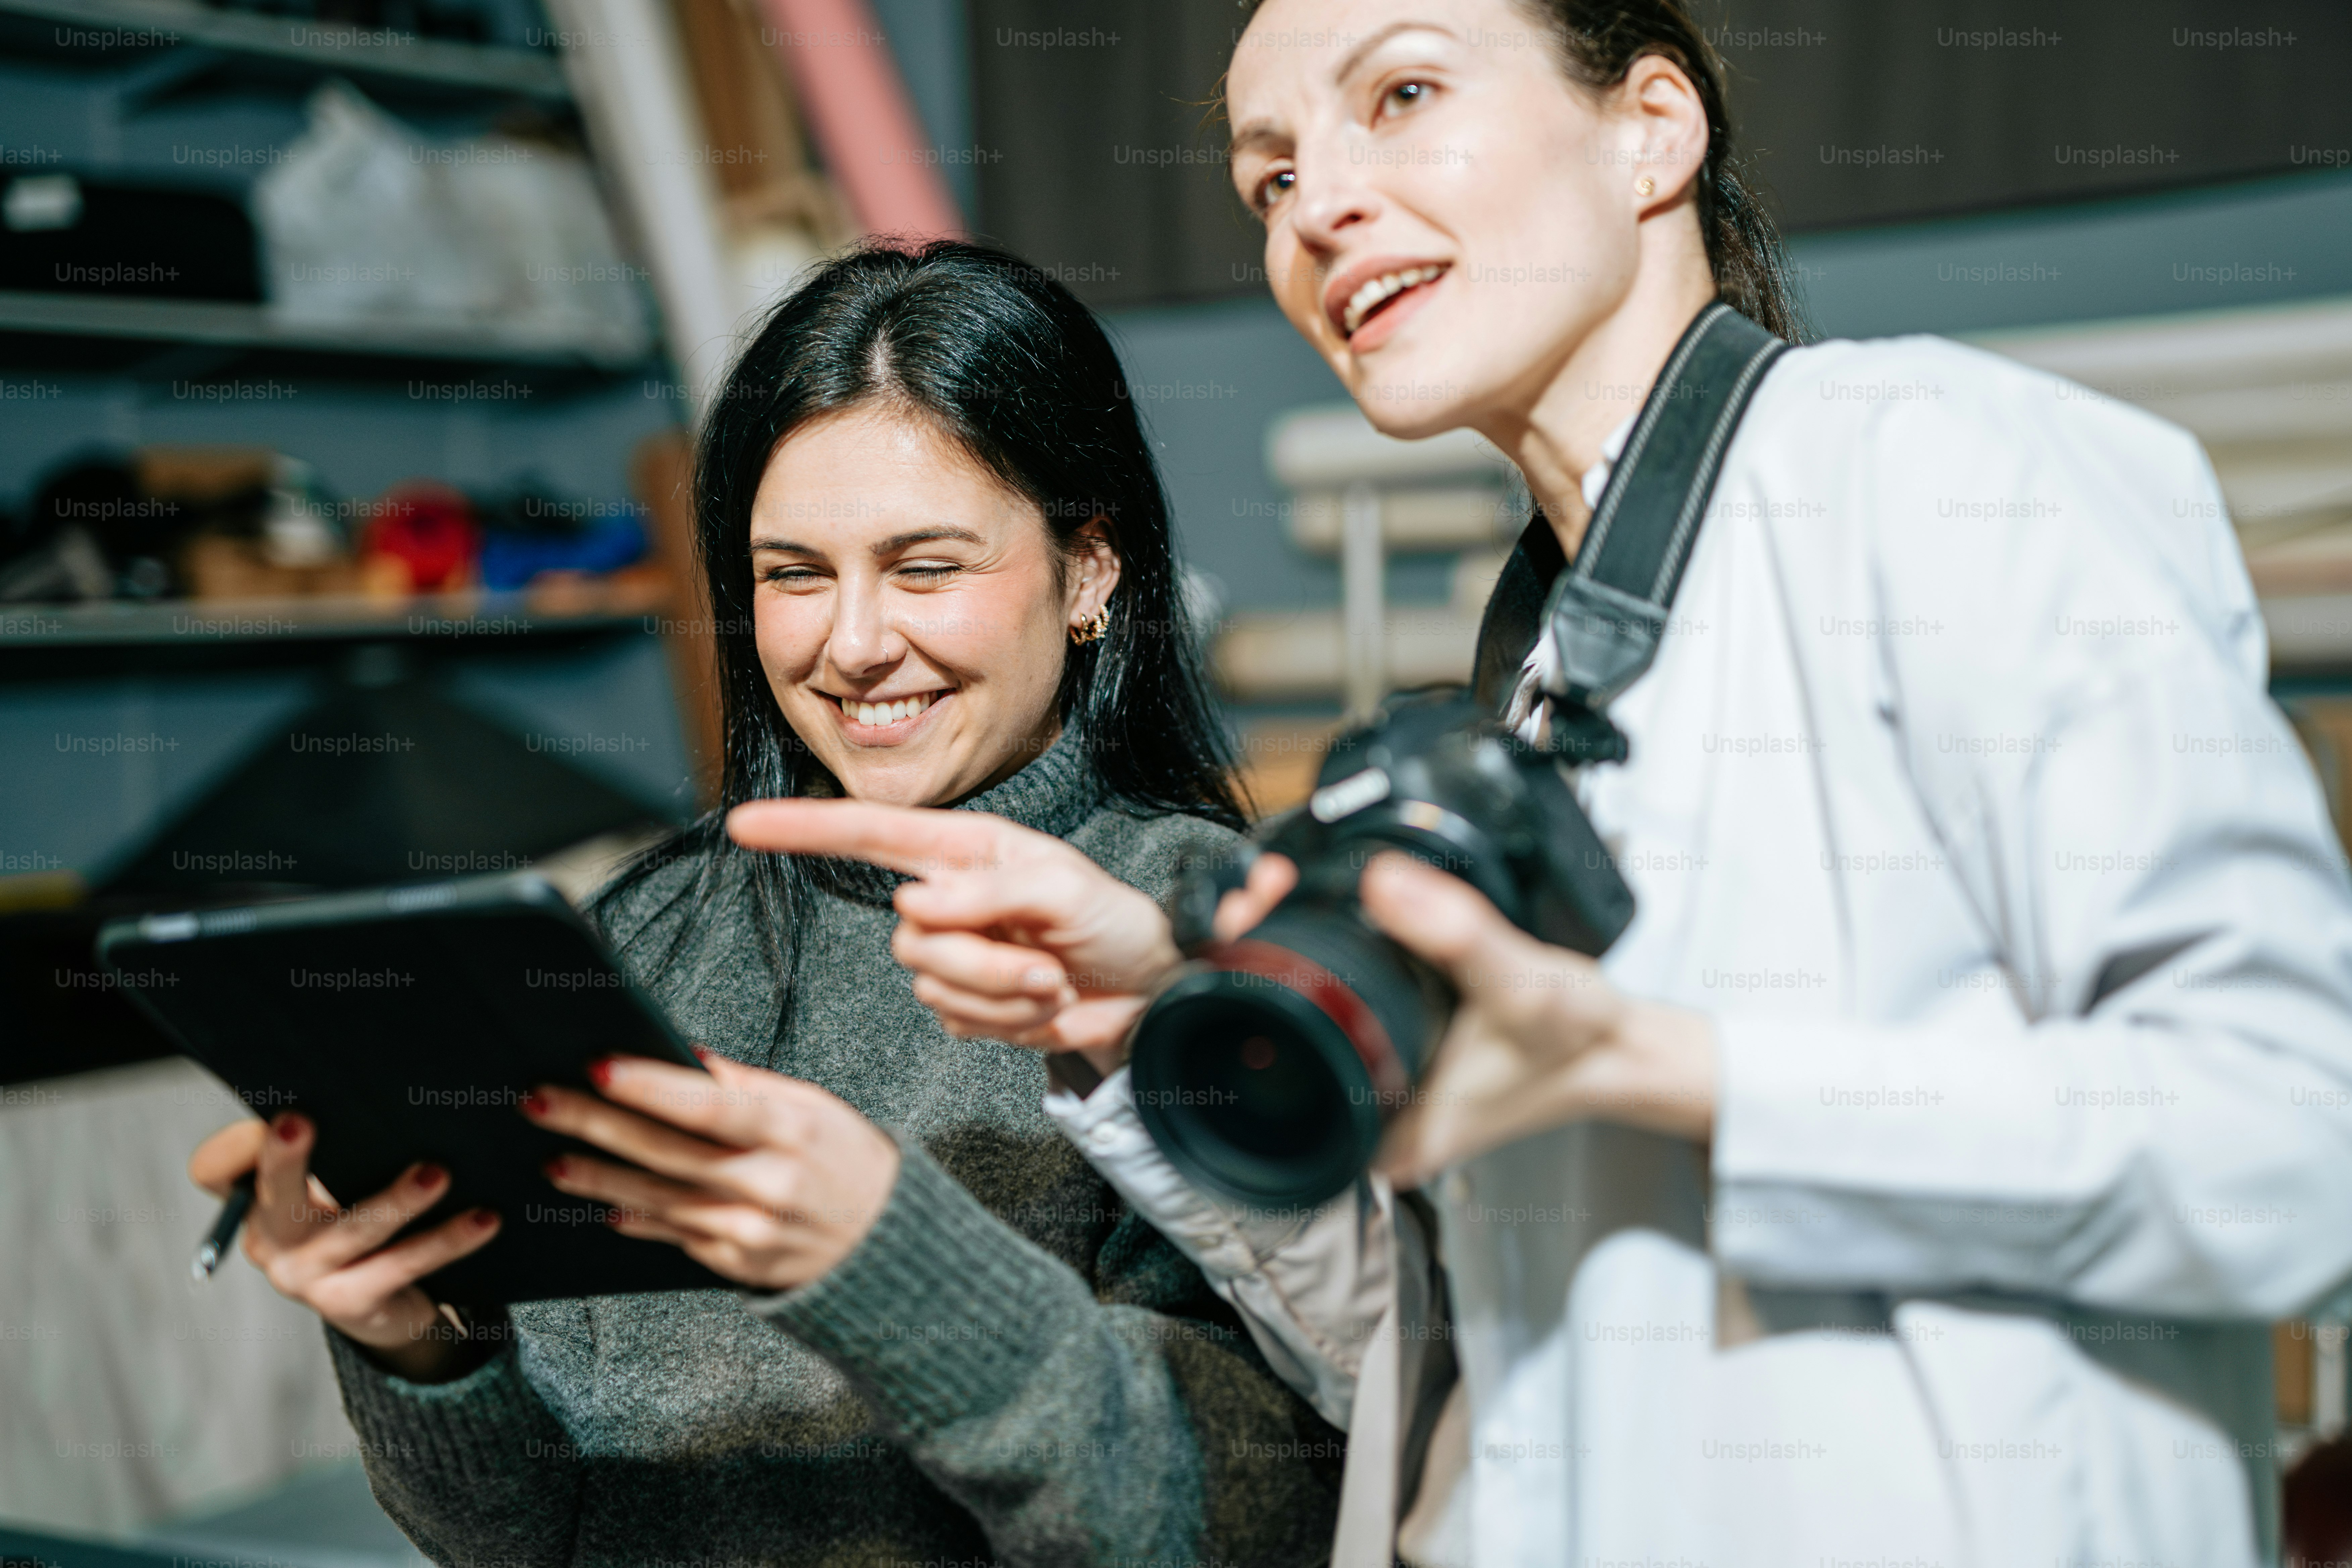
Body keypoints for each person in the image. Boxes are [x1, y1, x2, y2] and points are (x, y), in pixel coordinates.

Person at [729, 3, 2352, 1566]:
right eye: (1271, 175)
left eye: (1403, 96)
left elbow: (2296, 1144)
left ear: (1652, 128)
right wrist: (1151, 1025)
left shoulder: (1938, 477)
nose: (1319, 205)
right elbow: (1422, 1372)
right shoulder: (1537, 672)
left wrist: (1658, 1065)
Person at [185, 241, 1345, 1568]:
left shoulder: (1191, 940)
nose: (852, 644)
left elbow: (1229, 1529)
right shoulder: (648, 931)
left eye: (926, 567)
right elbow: (532, 1537)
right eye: (794, 573)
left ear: (1089, 571)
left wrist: (879, 1259)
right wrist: (416, 1349)